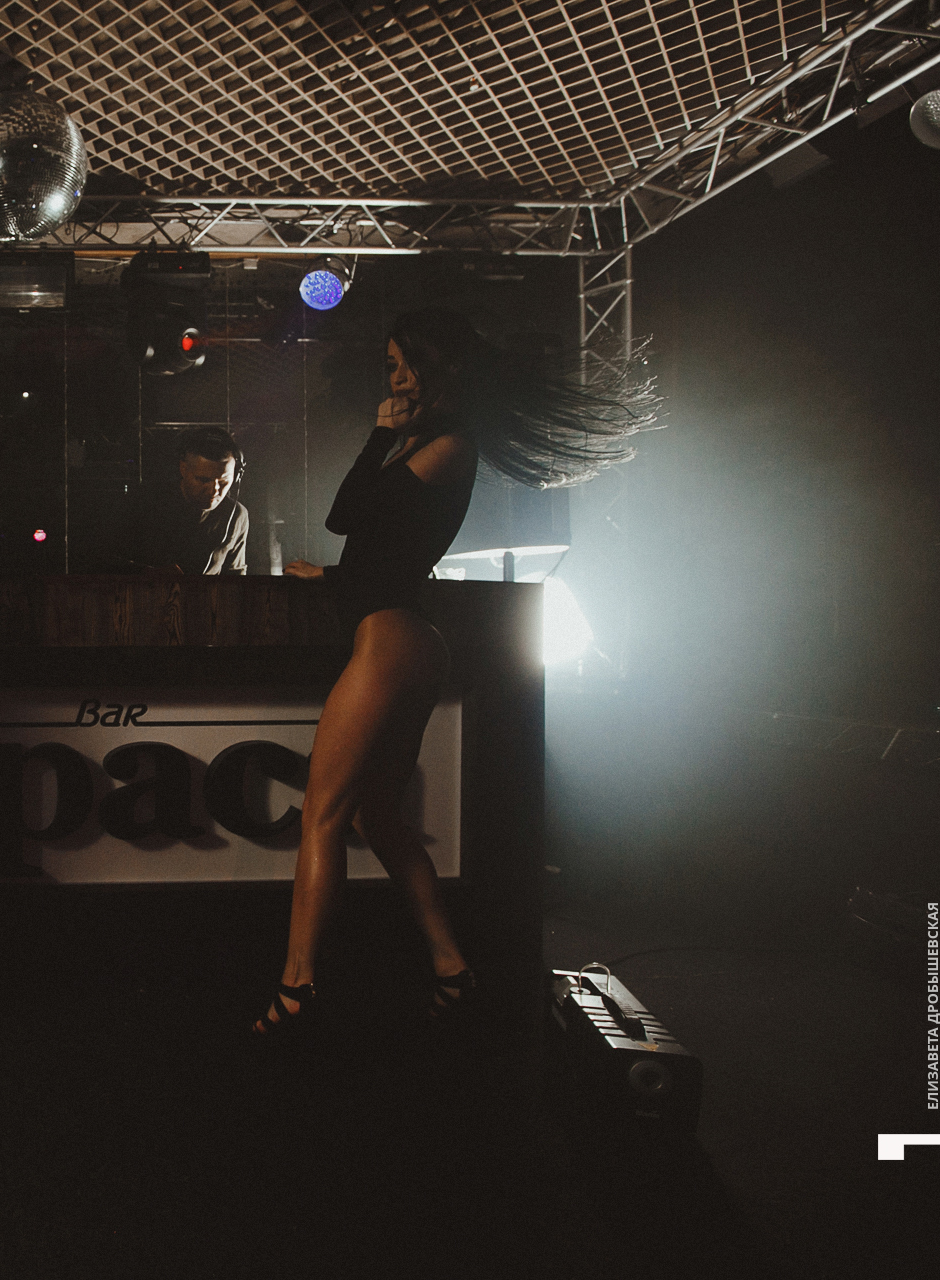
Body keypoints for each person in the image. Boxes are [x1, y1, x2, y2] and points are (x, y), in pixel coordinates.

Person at [258, 309, 658, 1037]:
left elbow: (348, 516)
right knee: (379, 816)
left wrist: (380, 435)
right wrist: (333, 576)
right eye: (389, 366)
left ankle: (297, 989)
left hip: (393, 641)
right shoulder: (430, 443)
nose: (395, 378)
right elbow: (383, 545)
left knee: (322, 814)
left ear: (439, 365)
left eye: (403, 364)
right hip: (404, 637)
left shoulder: (449, 445)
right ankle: (452, 968)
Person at [129, 427, 249, 574]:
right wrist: (148, 574)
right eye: (203, 480)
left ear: (236, 476)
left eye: (224, 481)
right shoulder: (146, 504)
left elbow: (235, 572)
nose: (214, 490)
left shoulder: (236, 515)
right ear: (183, 468)